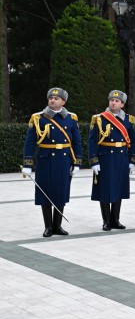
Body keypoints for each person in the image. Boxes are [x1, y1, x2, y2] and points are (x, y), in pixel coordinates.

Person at [22, 87, 82, 238]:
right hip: (45, 159)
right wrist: (27, 164)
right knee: (46, 192)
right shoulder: (39, 118)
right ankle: (48, 226)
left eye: (56, 98)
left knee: (60, 192)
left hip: (63, 160)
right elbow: (29, 143)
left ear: (63, 101)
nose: (52, 100)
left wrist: (77, 163)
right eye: (50, 98)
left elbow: (77, 142)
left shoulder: (71, 118)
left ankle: (58, 225)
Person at [89, 90, 135, 231]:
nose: (113, 102)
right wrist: (94, 161)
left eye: (117, 101)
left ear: (122, 104)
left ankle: (115, 219)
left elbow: (132, 141)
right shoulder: (99, 118)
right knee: (104, 189)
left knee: (119, 189)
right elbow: (92, 141)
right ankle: (106, 221)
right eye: (111, 100)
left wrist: (132, 159)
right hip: (104, 157)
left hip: (121, 157)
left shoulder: (128, 120)